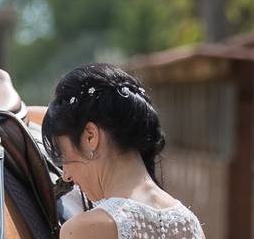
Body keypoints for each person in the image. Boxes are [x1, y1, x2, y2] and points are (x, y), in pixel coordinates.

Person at [41, 63, 205, 239]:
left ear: (90, 136)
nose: (66, 176)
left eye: (62, 155)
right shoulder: (190, 224)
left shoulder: (85, 229)